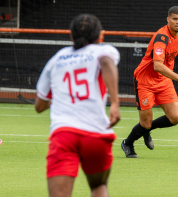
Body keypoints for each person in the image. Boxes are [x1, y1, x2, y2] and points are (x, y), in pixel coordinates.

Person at [35, 14, 121, 197]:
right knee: (98, 186)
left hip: (64, 134)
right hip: (96, 134)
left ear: (71, 36)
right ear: (100, 36)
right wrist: (114, 103)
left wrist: (60, 96)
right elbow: (107, 63)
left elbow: (39, 106)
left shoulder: (56, 59)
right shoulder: (103, 50)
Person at [121, 6, 178, 158]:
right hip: (145, 81)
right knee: (145, 123)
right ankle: (127, 143)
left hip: (163, 81)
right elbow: (158, 65)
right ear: (167, 19)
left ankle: (146, 131)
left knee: (176, 118)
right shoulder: (161, 37)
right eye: (174, 19)